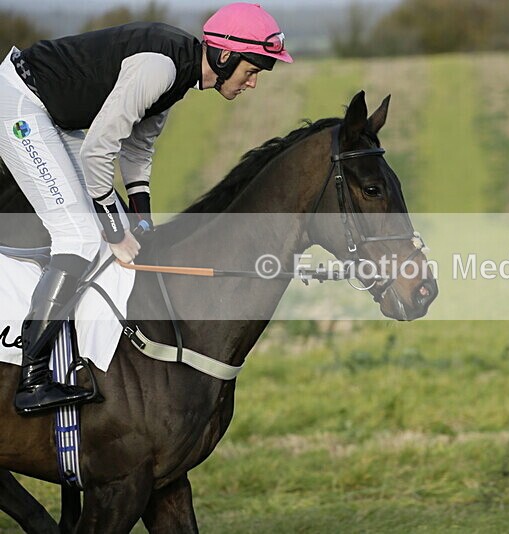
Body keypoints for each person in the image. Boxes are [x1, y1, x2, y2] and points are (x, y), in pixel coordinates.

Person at [0, 3, 292, 415]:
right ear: (225, 56)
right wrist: (116, 232)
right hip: (21, 105)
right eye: (252, 69)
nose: (253, 82)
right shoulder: (162, 69)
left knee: (110, 219)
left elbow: (137, 149)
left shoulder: (180, 75)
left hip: (53, 115)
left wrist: (140, 220)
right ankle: (31, 377)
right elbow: (99, 150)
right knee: (82, 236)